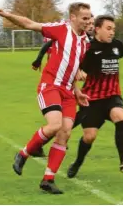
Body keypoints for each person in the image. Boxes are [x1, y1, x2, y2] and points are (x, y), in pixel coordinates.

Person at [0, 2, 91, 194]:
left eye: (89, 17)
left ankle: (48, 179)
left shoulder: (85, 42)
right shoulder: (61, 29)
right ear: (73, 18)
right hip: (50, 86)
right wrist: (6, 14)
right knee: (54, 125)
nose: (88, 21)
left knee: (65, 133)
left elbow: (72, 69)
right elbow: (29, 24)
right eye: (84, 18)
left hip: (68, 92)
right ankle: (23, 154)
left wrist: (77, 91)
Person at [66, 15, 123, 178]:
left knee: (119, 116)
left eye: (113, 29)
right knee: (90, 137)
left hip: (112, 96)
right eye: (108, 29)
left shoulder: (116, 45)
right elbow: (75, 68)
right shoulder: (89, 48)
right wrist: (78, 74)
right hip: (92, 100)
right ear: (97, 29)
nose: (111, 32)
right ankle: (78, 162)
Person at [31, 15, 95, 157]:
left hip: (74, 81)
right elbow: (48, 45)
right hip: (59, 78)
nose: (90, 25)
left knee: (79, 113)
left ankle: (58, 137)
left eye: (92, 23)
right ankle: (55, 138)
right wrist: (38, 60)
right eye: (88, 22)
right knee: (65, 117)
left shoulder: (89, 41)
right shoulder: (70, 35)